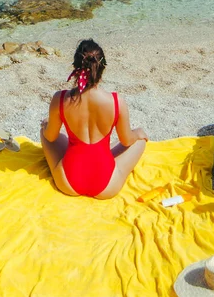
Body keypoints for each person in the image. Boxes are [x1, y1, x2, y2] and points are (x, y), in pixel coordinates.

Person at [40, 39, 148, 199]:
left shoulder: (60, 99)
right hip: (106, 185)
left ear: (76, 68)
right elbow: (126, 141)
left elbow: (51, 137)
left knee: (46, 131)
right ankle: (104, 151)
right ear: (102, 68)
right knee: (140, 140)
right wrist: (138, 133)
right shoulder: (116, 102)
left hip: (68, 183)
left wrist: (46, 125)